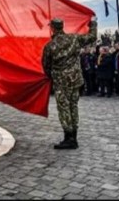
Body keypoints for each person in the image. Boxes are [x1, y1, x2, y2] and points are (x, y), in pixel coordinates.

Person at [42, 17, 93, 149]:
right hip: (75, 81)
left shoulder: (50, 46)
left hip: (61, 83)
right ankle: (74, 137)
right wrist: (93, 23)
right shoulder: (74, 38)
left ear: (52, 28)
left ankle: (68, 138)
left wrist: (51, 76)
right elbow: (92, 37)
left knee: (64, 109)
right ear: (62, 26)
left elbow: (46, 65)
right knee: (73, 107)